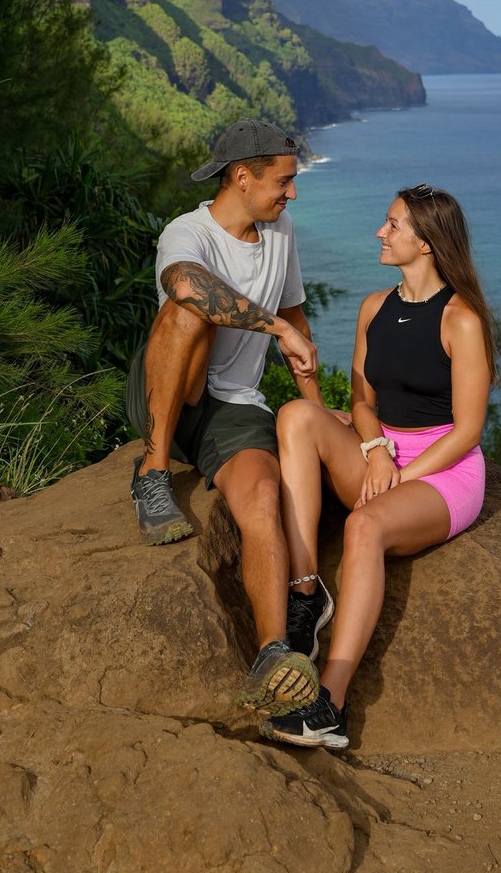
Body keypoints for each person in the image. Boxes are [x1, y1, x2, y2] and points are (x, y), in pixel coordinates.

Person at [262, 183, 496, 750]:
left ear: (428, 244)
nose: (380, 233)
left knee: (363, 525)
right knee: (296, 415)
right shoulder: (374, 307)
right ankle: (305, 592)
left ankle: (330, 704)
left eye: (393, 225)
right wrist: (375, 450)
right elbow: (362, 400)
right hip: (382, 452)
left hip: (444, 469)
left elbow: (468, 429)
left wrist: (400, 477)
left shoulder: (461, 320)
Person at [125, 118, 323, 715]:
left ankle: (272, 654)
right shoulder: (188, 232)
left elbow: (296, 319)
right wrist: (275, 325)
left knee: (262, 496)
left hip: (233, 407)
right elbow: (184, 285)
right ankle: (152, 474)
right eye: (283, 182)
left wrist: (317, 416)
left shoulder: (280, 231)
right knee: (190, 311)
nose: (291, 194)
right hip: (169, 391)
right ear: (242, 176)